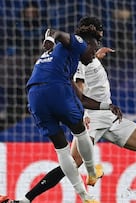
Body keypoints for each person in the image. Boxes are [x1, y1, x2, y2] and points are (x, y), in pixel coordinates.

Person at [4, 17, 136, 203]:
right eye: (98, 37)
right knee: (71, 164)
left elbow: (89, 64)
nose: (100, 40)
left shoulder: (88, 54)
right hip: (92, 118)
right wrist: (83, 114)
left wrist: (97, 55)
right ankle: (26, 198)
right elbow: (79, 89)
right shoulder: (75, 58)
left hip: (109, 117)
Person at [23, 25, 121, 203]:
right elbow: (56, 32)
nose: (93, 54)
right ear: (89, 43)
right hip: (55, 89)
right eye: (94, 50)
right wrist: (50, 39)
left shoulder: (61, 61)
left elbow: (82, 98)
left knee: (62, 150)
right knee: (80, 131)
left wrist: (108, 106)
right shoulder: (80, 42)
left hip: (34, 95)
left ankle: (85, 196)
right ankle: (92, 171)